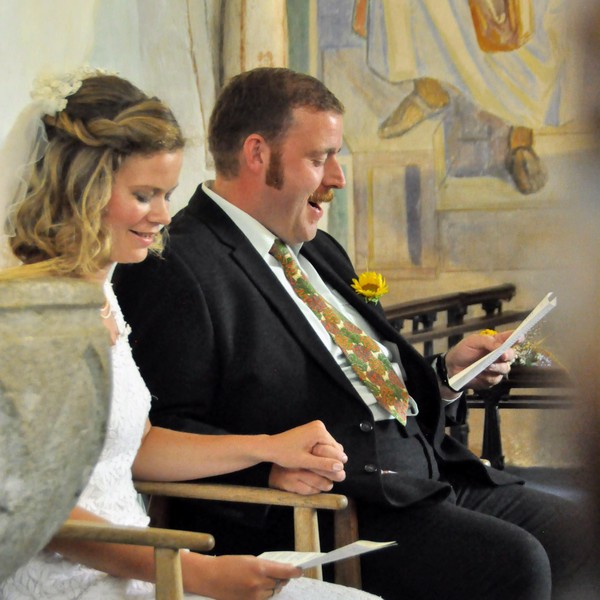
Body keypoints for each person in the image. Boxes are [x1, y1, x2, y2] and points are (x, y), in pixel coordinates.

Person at [113, 66, 594, 600]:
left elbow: (355, 380)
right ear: (257, 154)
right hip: (336, 512)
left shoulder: (319, 248)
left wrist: (445, 378)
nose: (338, 177)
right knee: (515, 563)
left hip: (431, 479)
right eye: (320, 158)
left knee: (585, 538)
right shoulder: (176, 264)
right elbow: (160, 429)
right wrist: (265, 469)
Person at [0, 69, 382, 600]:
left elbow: (138, 446)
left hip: (141, 566)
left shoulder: (104, 291)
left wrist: (268, 448)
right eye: (143, 195)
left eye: (167, 194)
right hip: (70, 579)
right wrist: (199, 572)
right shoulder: (32, 318)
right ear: (81, 191)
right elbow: (34, 511)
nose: (163, 215)